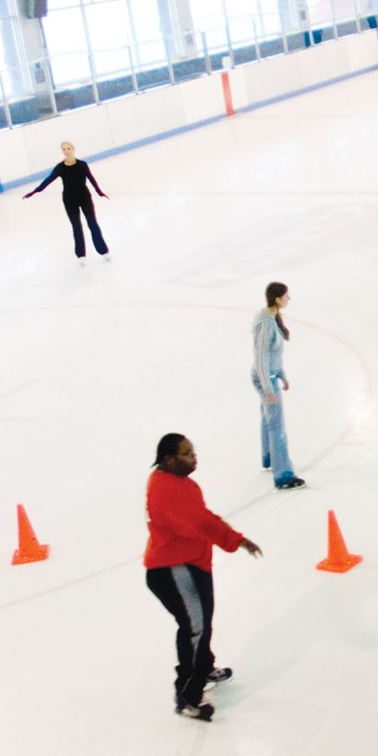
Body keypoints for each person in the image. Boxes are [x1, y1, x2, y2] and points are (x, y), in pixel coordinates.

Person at [144, 432, 261, 722]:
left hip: (192, 564)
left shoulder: (175, 481)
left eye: (193, 450)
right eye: (187, 452)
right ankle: (187, 695)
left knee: (202, 623)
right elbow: (202, 522)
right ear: (169, 460)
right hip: (174, 569)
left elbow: (200, 516)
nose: (194, 456)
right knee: (194, 627)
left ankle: (204, 666)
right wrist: (237, 540)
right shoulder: (167, 490)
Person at [252, 281, 304, 491]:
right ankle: (283, 475)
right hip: (265, 378)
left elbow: (272, 357)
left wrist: (281, 375)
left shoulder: (272, 318)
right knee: (277, 426)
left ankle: (269, 458)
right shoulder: (265, 325)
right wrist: (268, 387)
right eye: (286, 296)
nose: (288, 299)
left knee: (268, 419)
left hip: (270, 376)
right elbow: (261, 358)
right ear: (277, 299)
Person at [23, 140, 109, 262]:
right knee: (76, 227)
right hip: (69, 200)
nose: (66, 151)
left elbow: (91, 179)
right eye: (64, 149)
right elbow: (47, 181)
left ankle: (103, 251)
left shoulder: (82, 165)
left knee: (92, 224)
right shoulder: (60, 168)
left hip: (85, 198)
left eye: (68, 148)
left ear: (73, 149)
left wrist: (99, 192)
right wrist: (34, 191)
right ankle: (81, 255)